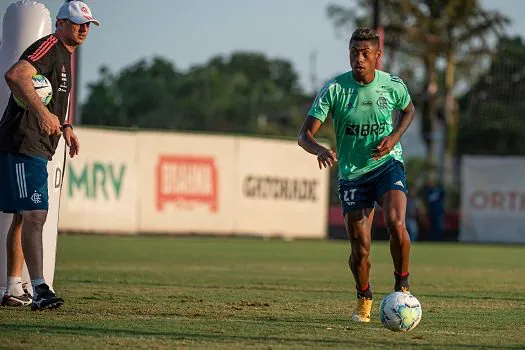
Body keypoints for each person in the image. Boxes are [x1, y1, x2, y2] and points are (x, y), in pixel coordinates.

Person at [298, 28, 416, 323]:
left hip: (388, 164)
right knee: (360, 250)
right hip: (352, 176)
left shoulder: (392, 85)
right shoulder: (334, 89)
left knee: (396, 222)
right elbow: (304, 136)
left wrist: (394, 136)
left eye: (365, 54)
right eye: (354, 53)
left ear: (378, 55)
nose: (359, 59)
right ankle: (364, 296)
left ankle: (402, 285)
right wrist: (320, 150)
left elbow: (409, 110)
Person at [0, 0, 99, 310]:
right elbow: (15, 75)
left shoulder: (64, 55)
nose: (83, 29)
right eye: (77, 23)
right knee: (35, 214)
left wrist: (66, 125)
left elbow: (51, 98)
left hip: (35, 145)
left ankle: (14, 288)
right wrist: (42, 113)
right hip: (23, 142)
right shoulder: (50, 45)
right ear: (60, 23)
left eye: (87, 24)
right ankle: (40, 289)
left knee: (22, 217)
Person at [424, 176, 446, 241]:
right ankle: (432, 240)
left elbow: (443, 197)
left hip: (439, 212)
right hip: (431, 212)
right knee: (432, 227)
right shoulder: (428, 192)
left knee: (439, 227)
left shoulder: (438, 190)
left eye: (430, 183)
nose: (429, 184)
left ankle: (439, 240)